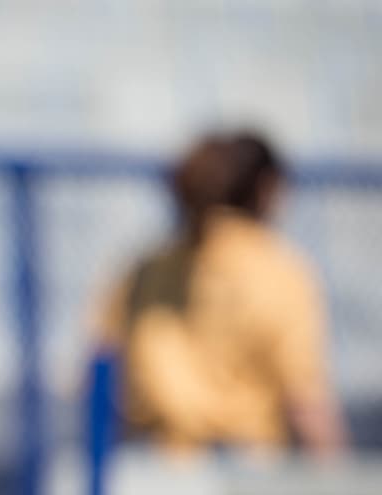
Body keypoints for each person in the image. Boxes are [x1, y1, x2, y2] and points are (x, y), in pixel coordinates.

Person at [92, 130, 348, 457]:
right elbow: (306, 401)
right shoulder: (282, 274)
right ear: (266, 189)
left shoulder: (144, 271)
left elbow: (99, 372)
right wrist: (340, 480)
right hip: (248, 474)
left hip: (155, 468)